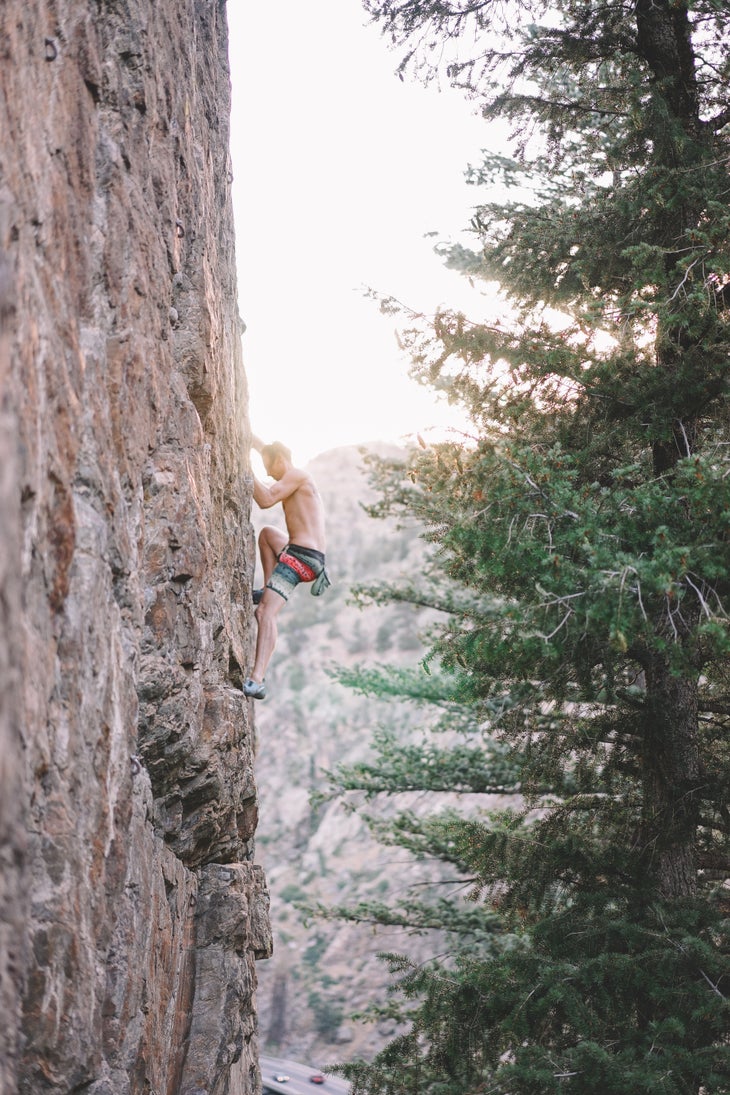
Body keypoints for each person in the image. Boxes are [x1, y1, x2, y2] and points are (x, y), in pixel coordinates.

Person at [243, 435, 329, 699]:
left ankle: (257, 681)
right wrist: (254, 443)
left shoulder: (298, 475)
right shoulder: (292, 475)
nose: (268, 473)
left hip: (301, 557)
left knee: (265, 612)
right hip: (301, 551)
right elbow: (270, 452)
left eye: (270, 467)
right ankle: (268, 586)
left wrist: (243, 463)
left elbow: (266, 499)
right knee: (268, 535)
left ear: (281, 460)